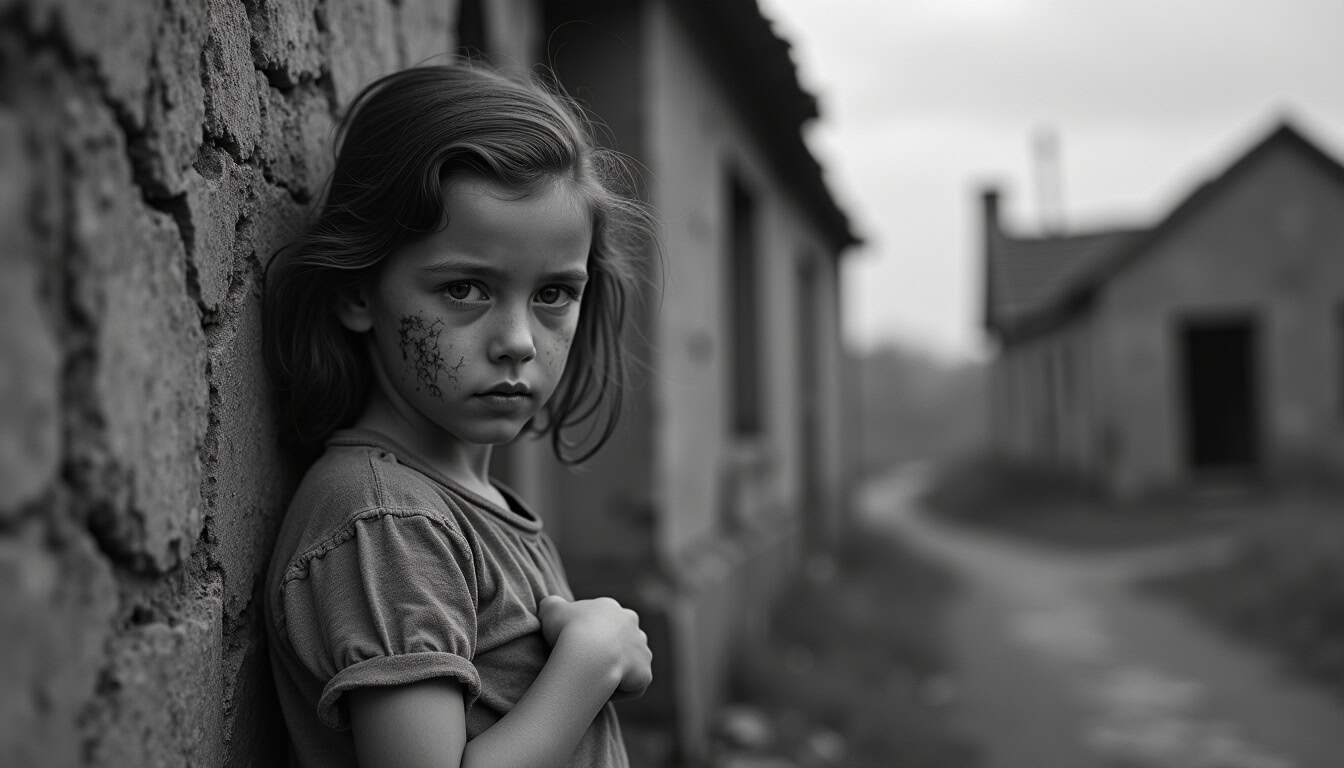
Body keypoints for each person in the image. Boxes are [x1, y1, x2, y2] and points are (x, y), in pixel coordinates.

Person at [261, 63, 655, 768]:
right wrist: (590, 665)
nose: (517, 341)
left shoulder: (461, 503)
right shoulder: (387, 525)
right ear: (359, 291)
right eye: (466, 288)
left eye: (555, 294)